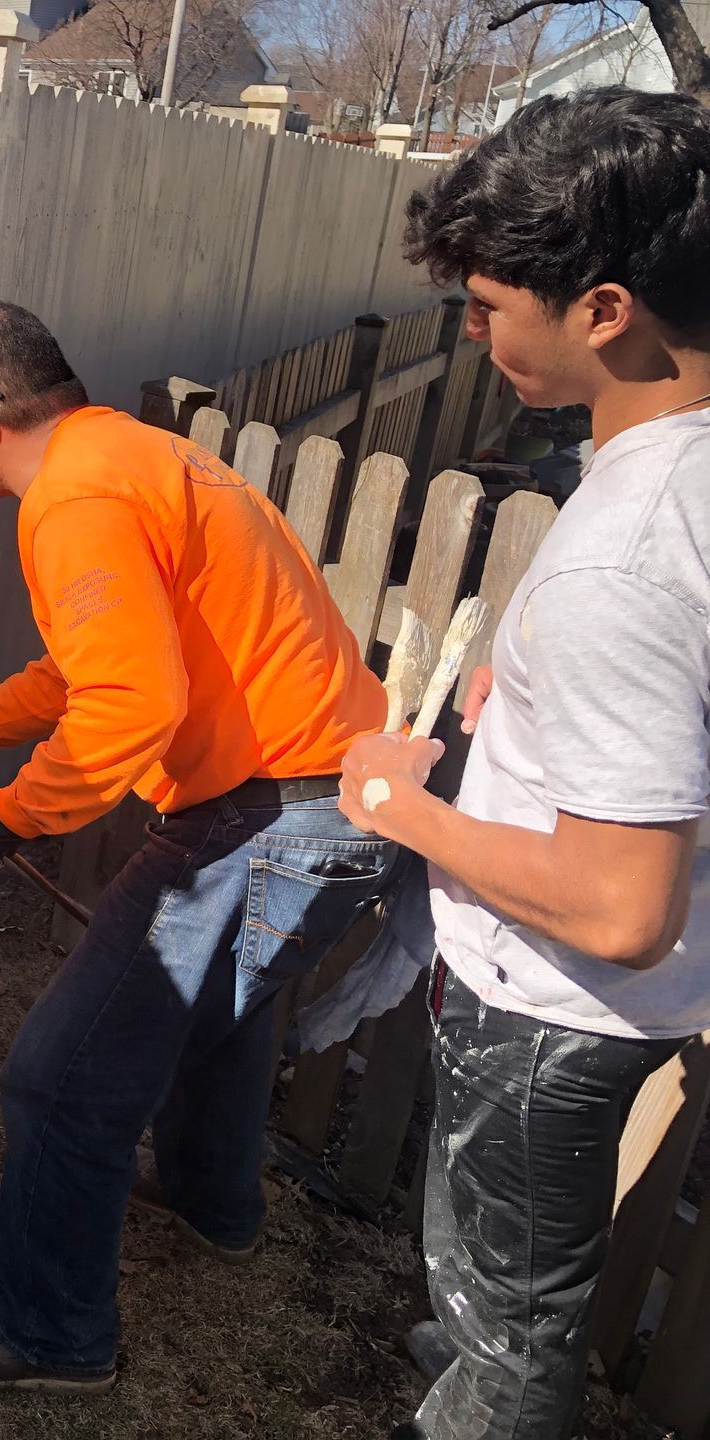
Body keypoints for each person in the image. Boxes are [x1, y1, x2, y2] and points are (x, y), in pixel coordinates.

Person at [0, 299, 398, 1394]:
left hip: (269, 816)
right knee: (220, 1014)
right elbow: (97, 662)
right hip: (340, 800)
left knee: (62, 1081)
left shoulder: (72, 499)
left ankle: (52, 1336)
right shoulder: (136, 458)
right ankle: (215, 1202)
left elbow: (126, 703)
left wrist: (9, 816)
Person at [335, 88, 710, 1440]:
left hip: (553, 1017)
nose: (476, 334)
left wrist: (399, 805)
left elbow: (620, 906)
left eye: (491, 307)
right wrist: (547, 706)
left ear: (604, 309)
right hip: (601, 1013)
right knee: (507, 1303)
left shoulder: (626, 558)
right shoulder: (676, 470)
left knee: (509, 1349)